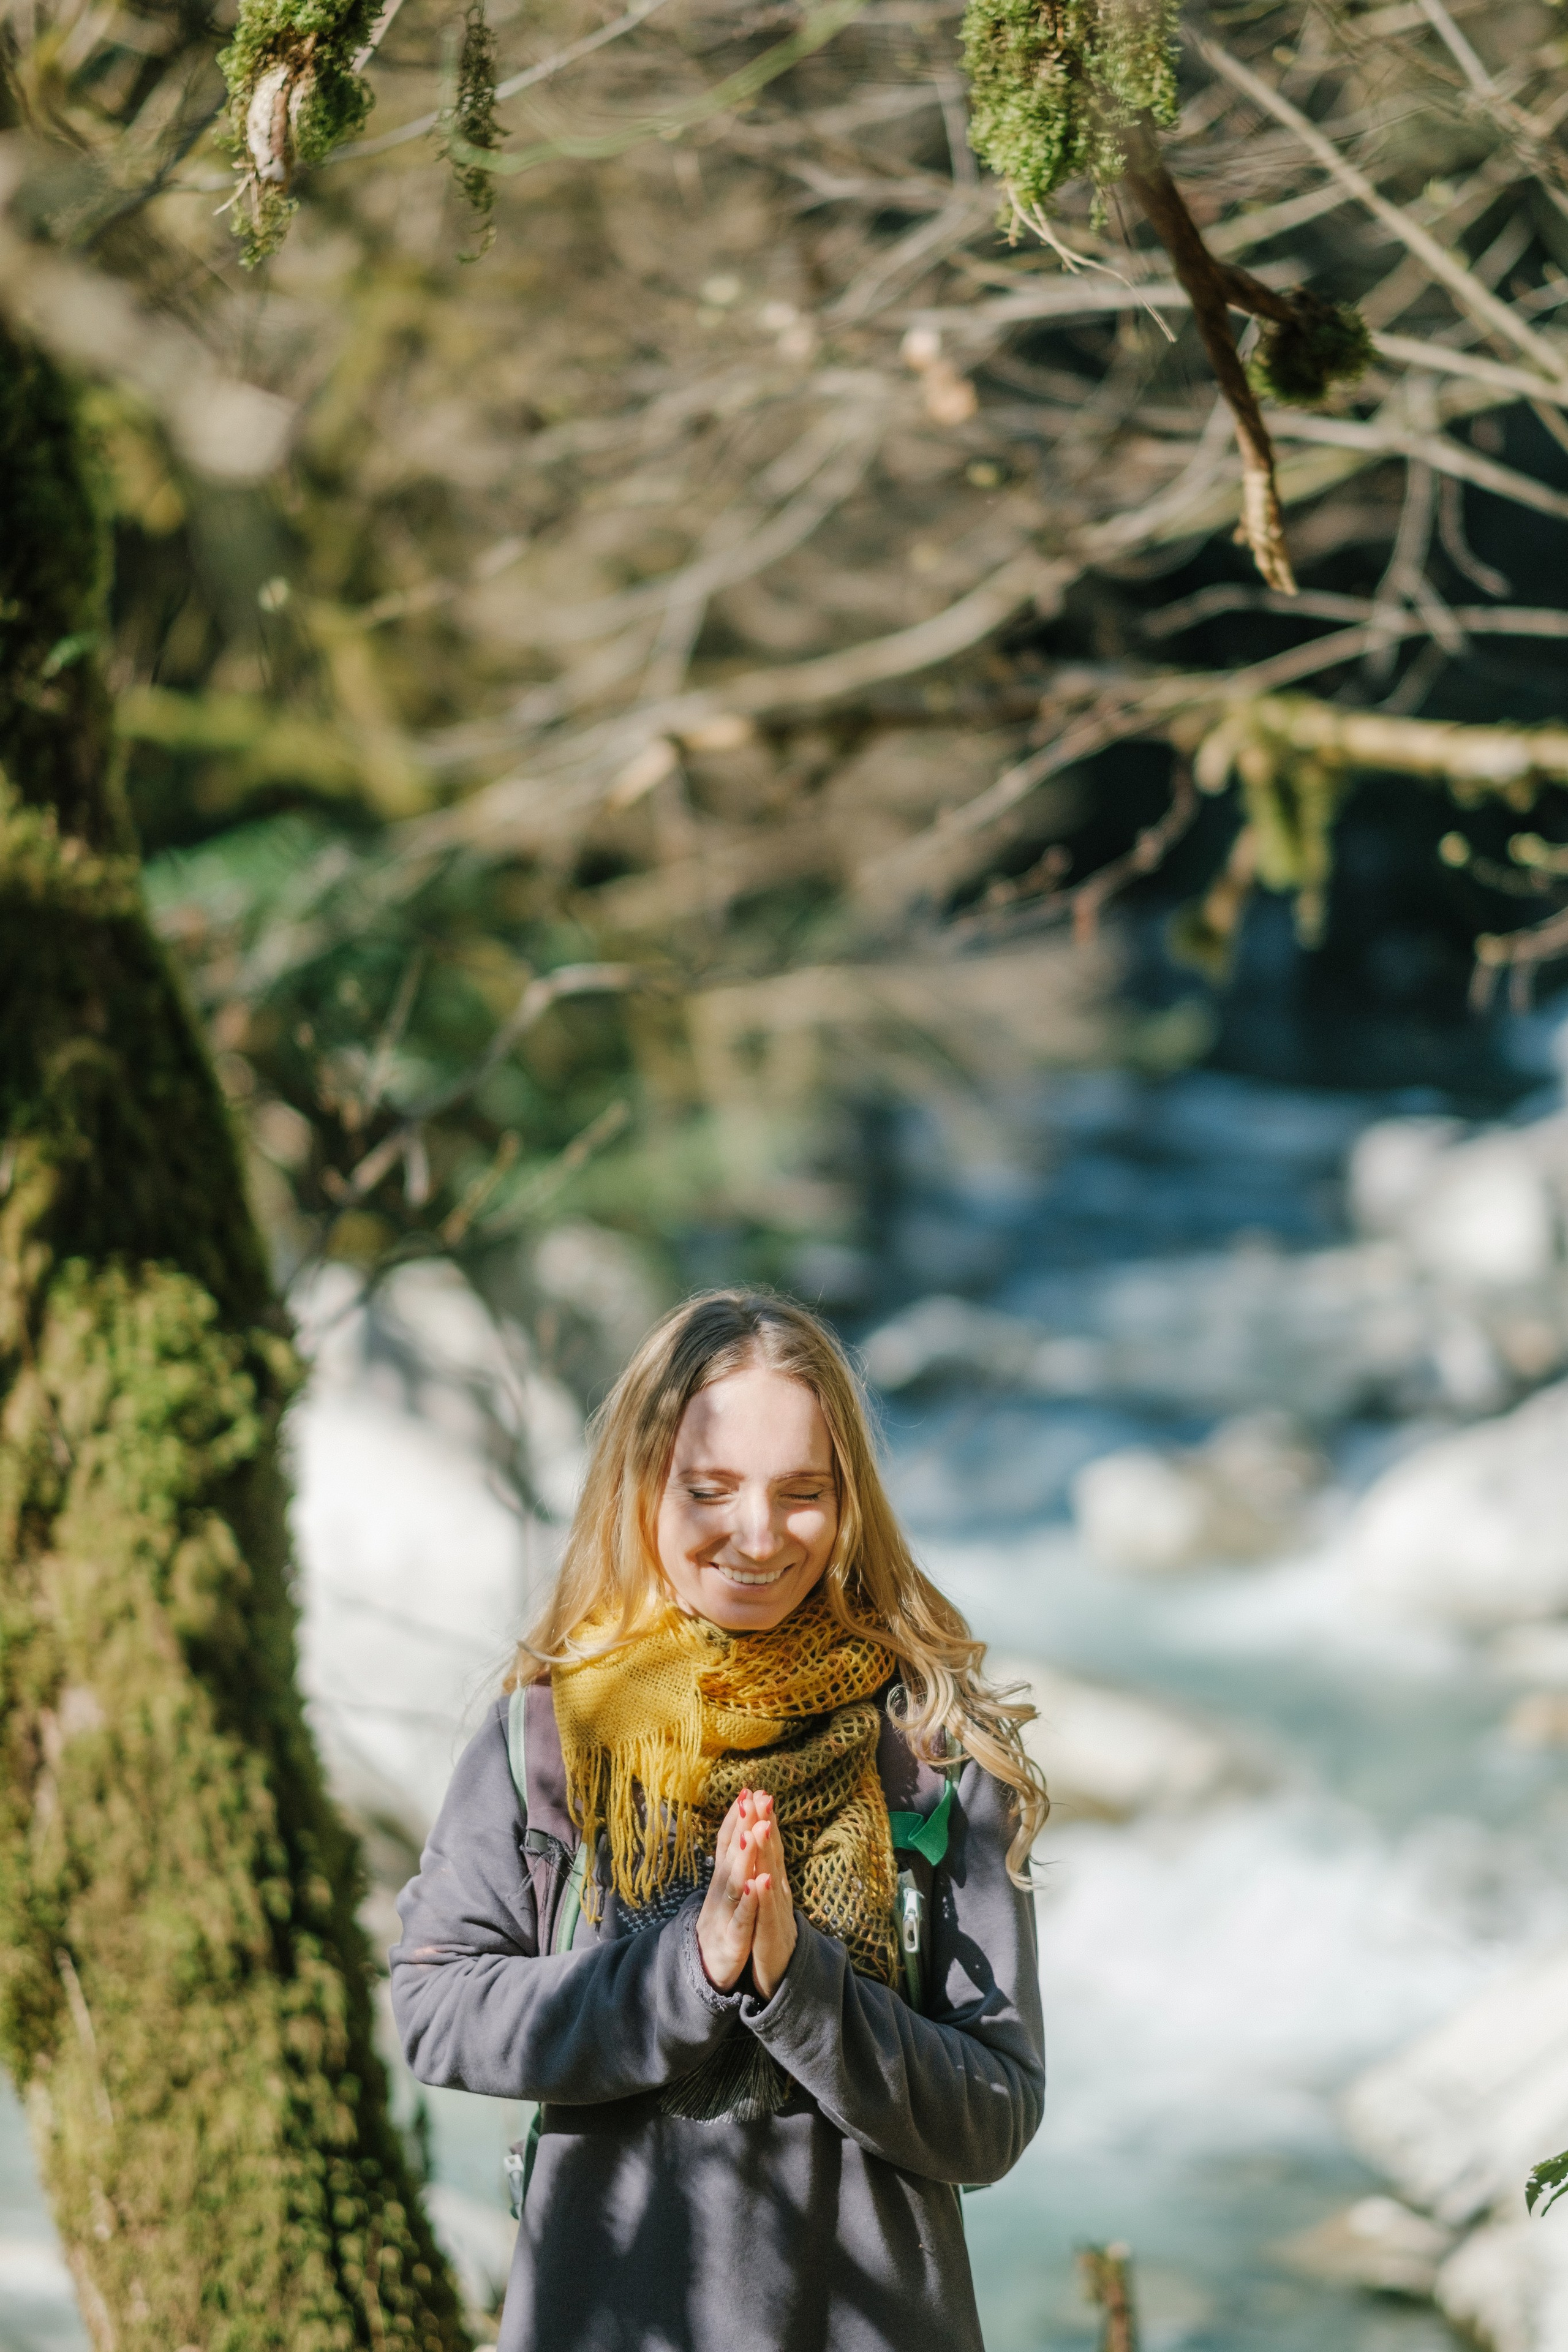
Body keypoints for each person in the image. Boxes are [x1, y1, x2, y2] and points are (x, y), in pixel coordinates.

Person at [391, 1289, 1048, 2352]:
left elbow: (995, 2114)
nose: (758, 1534)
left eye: (802, 1493)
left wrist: (802, 1988)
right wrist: (685, 1971)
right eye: (710, 1489)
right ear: (643, 1486)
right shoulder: (547, 1741)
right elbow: (435, 2007)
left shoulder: (932, 1755)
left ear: (848, 1505)